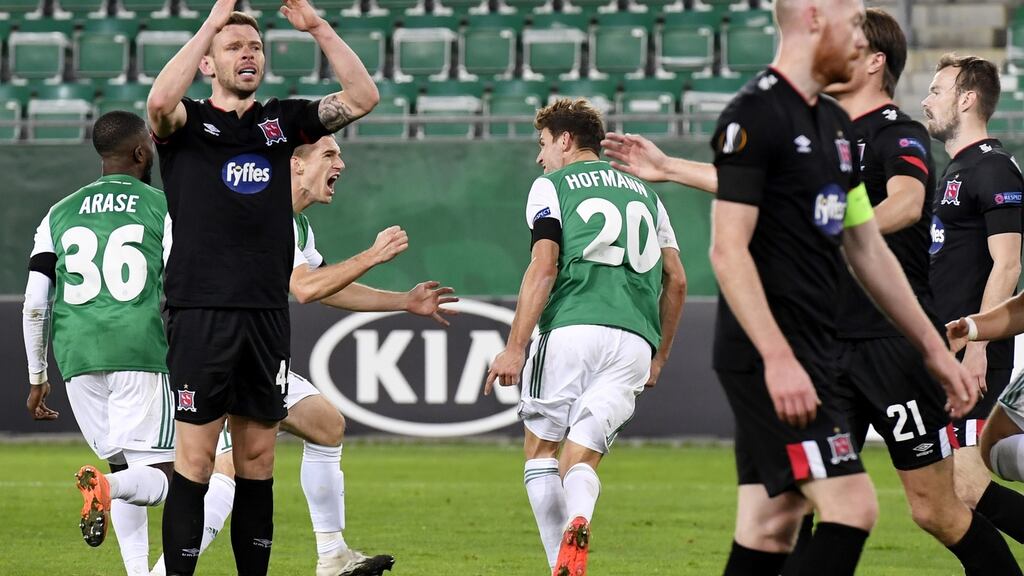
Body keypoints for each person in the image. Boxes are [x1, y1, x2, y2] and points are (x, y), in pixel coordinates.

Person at [608, 9, 1022, 574]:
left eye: (856, 35)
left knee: (932, 510)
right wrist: (671, 168)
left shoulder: (890, 132)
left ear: (873, 61)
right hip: (816, 347)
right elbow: (760, 199)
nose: (846, 44)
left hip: (888, 349)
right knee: (800, 509)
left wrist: (932, 343)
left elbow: (894, 212)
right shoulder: (800, 121)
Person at [151, 135, 457, 576]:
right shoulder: (259, 206)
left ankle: (332, 554)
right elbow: (306, 288)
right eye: (329, 154)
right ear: (294, 163)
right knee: (214, 469)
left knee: (325, 425)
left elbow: (324, 284)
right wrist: (371, 256)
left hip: (252, 345)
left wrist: (403, 301)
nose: (341, 164)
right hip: (207, 344)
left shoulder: (295, 224)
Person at [146, 0, 380, 573]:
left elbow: (361, 98)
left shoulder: (281, 123)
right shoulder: (187, 125)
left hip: (265, 313)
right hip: (201, 311)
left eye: (255, 47)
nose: (248, 54)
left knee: (258, 461)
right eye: (233, 47)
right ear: (207, 62)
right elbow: (158, 104)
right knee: (196, 461)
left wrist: (318, 27)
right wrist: (211, 24)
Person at [485, 98, 687, 576]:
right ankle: (580, 515)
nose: (540, 156)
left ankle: (558, 561)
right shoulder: (647, 194)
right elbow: (677, 280)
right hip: (634, 341)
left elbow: (544, 266)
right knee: (581, 457)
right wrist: (659, 357)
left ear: (565, 140)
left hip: (572, 327)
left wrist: (515, 347)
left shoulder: (550, 186)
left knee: (541, 451)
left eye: (543, 144)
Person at [23, 111, 175, 576]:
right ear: (141, 151)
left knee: (123, 464)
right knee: (173, 478)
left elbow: (35, 302)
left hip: (76, 357)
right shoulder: (163, 206)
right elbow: (183, 285)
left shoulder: (58, 212)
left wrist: (37, 375)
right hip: (138, 349)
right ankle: (106, 489)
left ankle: (136, 571)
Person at [923, 53, 1024, 543]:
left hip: (974, 357)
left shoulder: (994, 169)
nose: (926, 101)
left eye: (937, 91)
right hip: (949, 352)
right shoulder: (957, 170)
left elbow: (1008, 264)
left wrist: (978, 348)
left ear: (966, 99)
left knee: (963, 486)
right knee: (943, 496)